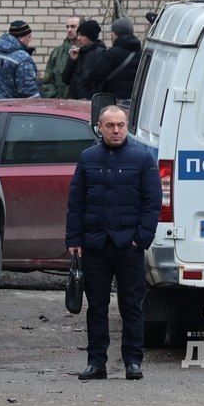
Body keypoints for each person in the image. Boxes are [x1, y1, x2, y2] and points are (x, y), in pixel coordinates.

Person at [65, 105, 162, 381]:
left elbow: (152, 202)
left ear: (127, 126)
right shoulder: (87, 158)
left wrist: (141, 239)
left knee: (131, 305)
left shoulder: (142, 159)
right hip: (95, 244)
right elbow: (76, 202)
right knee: (96, 307)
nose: (116, 130)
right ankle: (97, 363)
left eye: (120, 125)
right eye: (110, 125)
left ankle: (133, 361)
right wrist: (73, 239)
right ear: (100, 127)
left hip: (128, 245)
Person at [0, 20, 41, 100]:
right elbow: (30, 93)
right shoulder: (23, 59)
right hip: (13, 110)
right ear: (20, 38)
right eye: (29, 37)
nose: (30, 40)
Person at [89, 18, 142, 102]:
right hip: (135, 102)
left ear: (114, 34)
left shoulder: (111, 53)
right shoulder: (141, 53)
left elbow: (95, 75)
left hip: (114, 101)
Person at [63, 20, 107, 100]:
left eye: (82, 35)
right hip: (74, 102)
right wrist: (72, 60)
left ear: (90, 36)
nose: (78, 38)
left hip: (89, 103)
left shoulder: (100, 54)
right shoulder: (78, 52)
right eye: (78, 35)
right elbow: (65, 79)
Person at [42, 17, 80, 98]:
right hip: (61, 106)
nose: (69, 30)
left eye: (73, 27)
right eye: (67, 27)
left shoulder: (87, 51)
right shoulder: (57, 53)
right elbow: (48, 81)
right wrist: (55, 98)